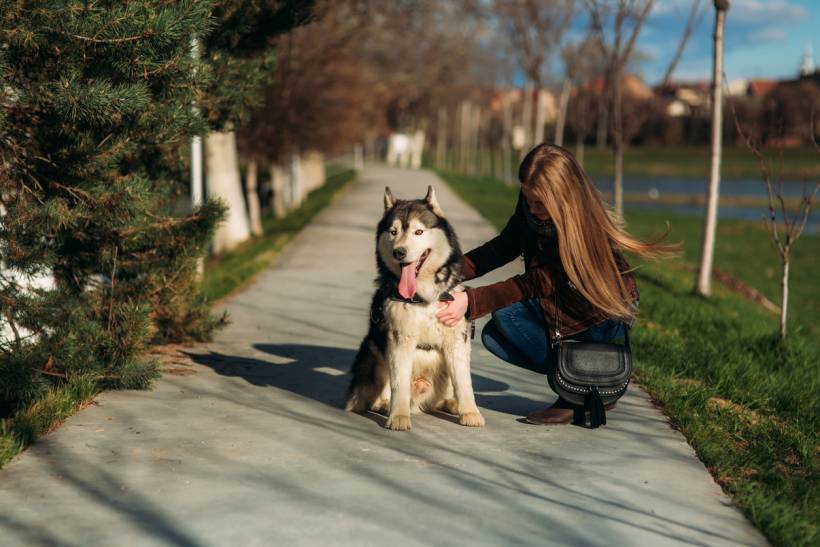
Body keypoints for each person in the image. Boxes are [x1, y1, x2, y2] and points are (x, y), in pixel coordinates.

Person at [436, 143, 675, 425]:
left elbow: (535, 283)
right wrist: (446, 271)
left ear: (562, 198)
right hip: (565, 302)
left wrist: (470, 301)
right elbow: (503, 247)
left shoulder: (582, 226)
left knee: (507, 318)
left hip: (603, 311)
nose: (532, 209)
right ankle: (587, 386)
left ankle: (579, 391)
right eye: (527, 199)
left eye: (540, 203)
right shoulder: (531, 207)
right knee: (495, 336)